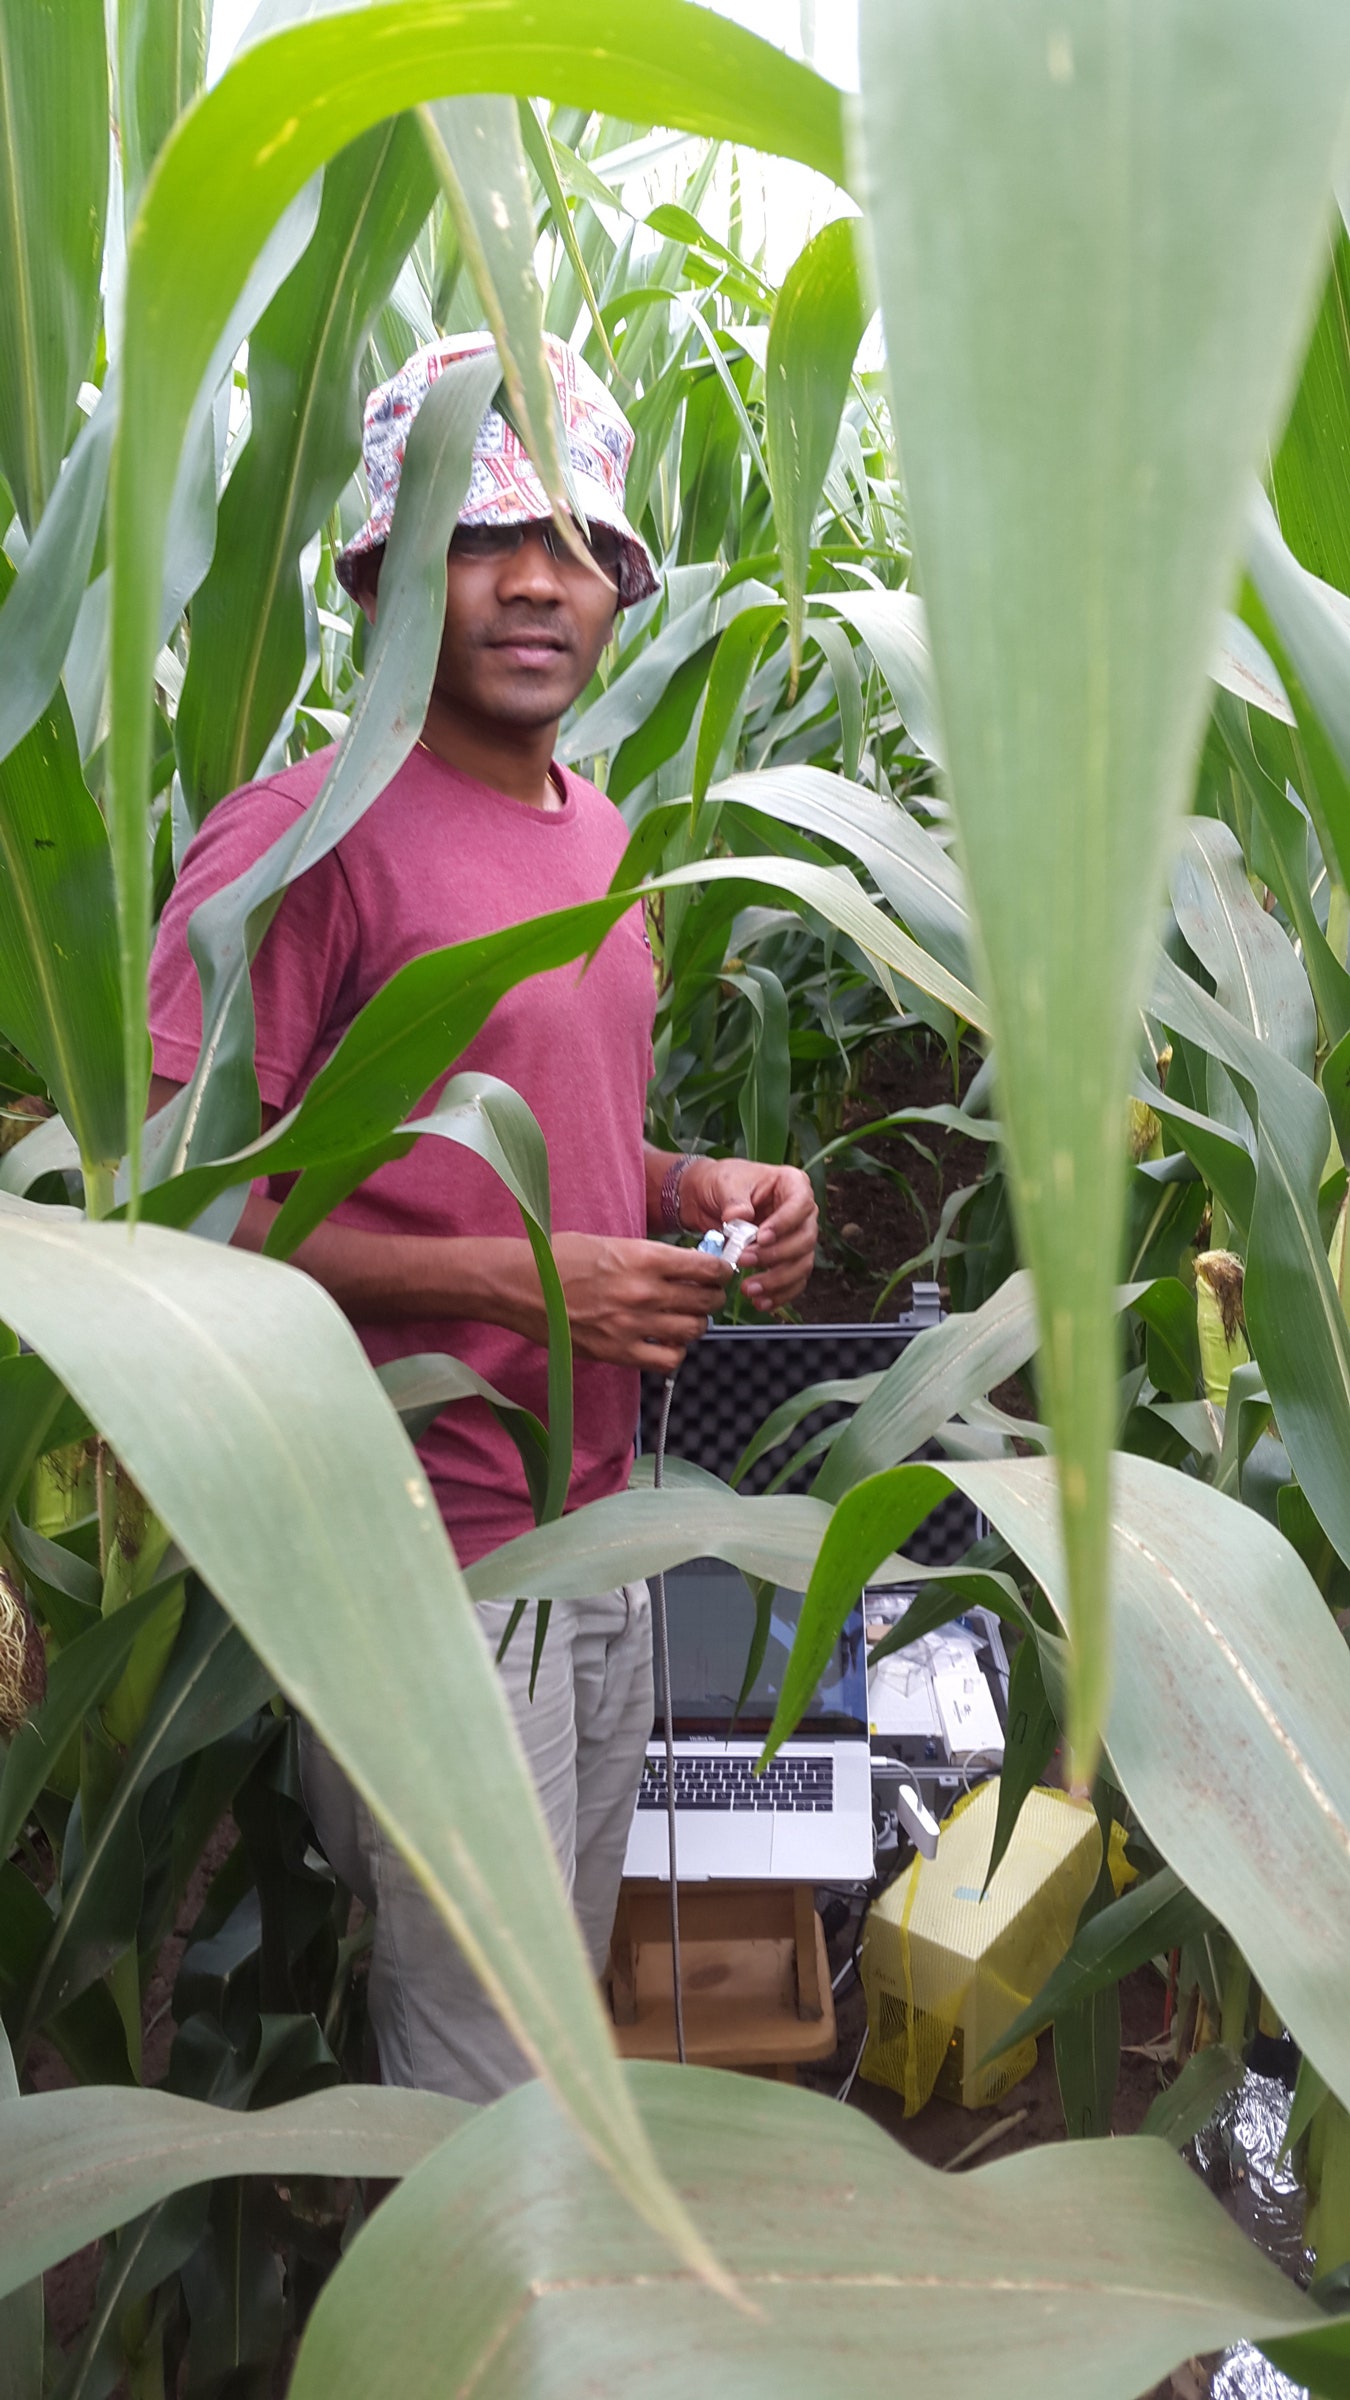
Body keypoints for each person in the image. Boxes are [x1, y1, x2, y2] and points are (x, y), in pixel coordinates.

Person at [147, 331, 819, 2100]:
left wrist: (693, 1194)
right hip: (410, 1554)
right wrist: (532, 1285)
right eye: (479, 532)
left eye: (584, 542)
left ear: (622, 593)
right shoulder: (296, 842)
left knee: (554, 2014)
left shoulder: (596, 837)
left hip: (583, 1529)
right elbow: (168, 1236)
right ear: (380, 567)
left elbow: (549, 1129)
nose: (541, 580)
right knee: (484, 2073)